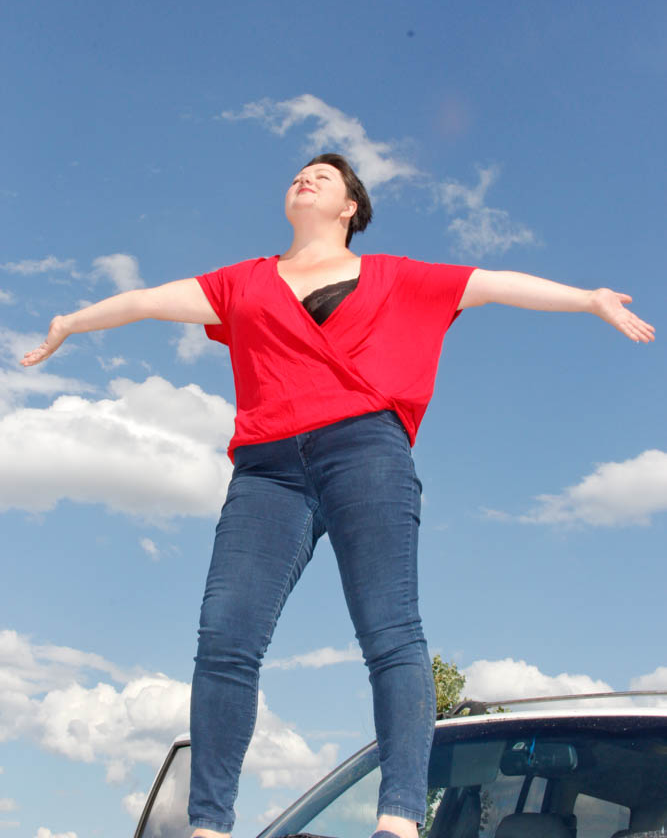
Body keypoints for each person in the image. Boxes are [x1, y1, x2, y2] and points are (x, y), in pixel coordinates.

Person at [21, 154, 654, 838]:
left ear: (349, 207)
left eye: (323, 177)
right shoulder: (242, 282)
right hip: (266, 471)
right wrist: (70, 321)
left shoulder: (396, 276)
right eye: (299, 173)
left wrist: (588, 298)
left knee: (390, 632)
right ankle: (208, 825)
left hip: (366, 452)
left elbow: (495, 284)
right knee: (224, 639)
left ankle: (399, 818)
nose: (305, 178)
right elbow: (146, 301)